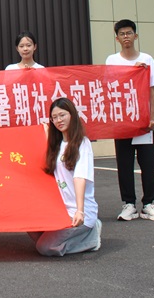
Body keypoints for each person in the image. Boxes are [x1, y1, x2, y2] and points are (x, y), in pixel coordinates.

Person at [106, 19, 154, 222]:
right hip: (123, 121)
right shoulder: (112, 60)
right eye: (122, 34)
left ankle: (148, 204)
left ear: (135, 36)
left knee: (148, 163)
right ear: (117, 38)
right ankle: (128, 204)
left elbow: (151, 90)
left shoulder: (146, 59)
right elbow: (109, 88)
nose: (126, 37)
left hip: (142, 121)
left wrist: (152, 117)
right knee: (124, 163)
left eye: (129, 33)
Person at [30, 97, 102, 256]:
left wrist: (80, 211)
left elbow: (80, 177)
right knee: (29, 225)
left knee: (44, 248)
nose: (59, 120)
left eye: (62, 115)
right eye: (54, 117)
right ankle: (72, 237)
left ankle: (91, 238)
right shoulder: (55, 145)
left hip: (78, 213)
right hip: (60, 210)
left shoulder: (82, 143)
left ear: (72, 115)